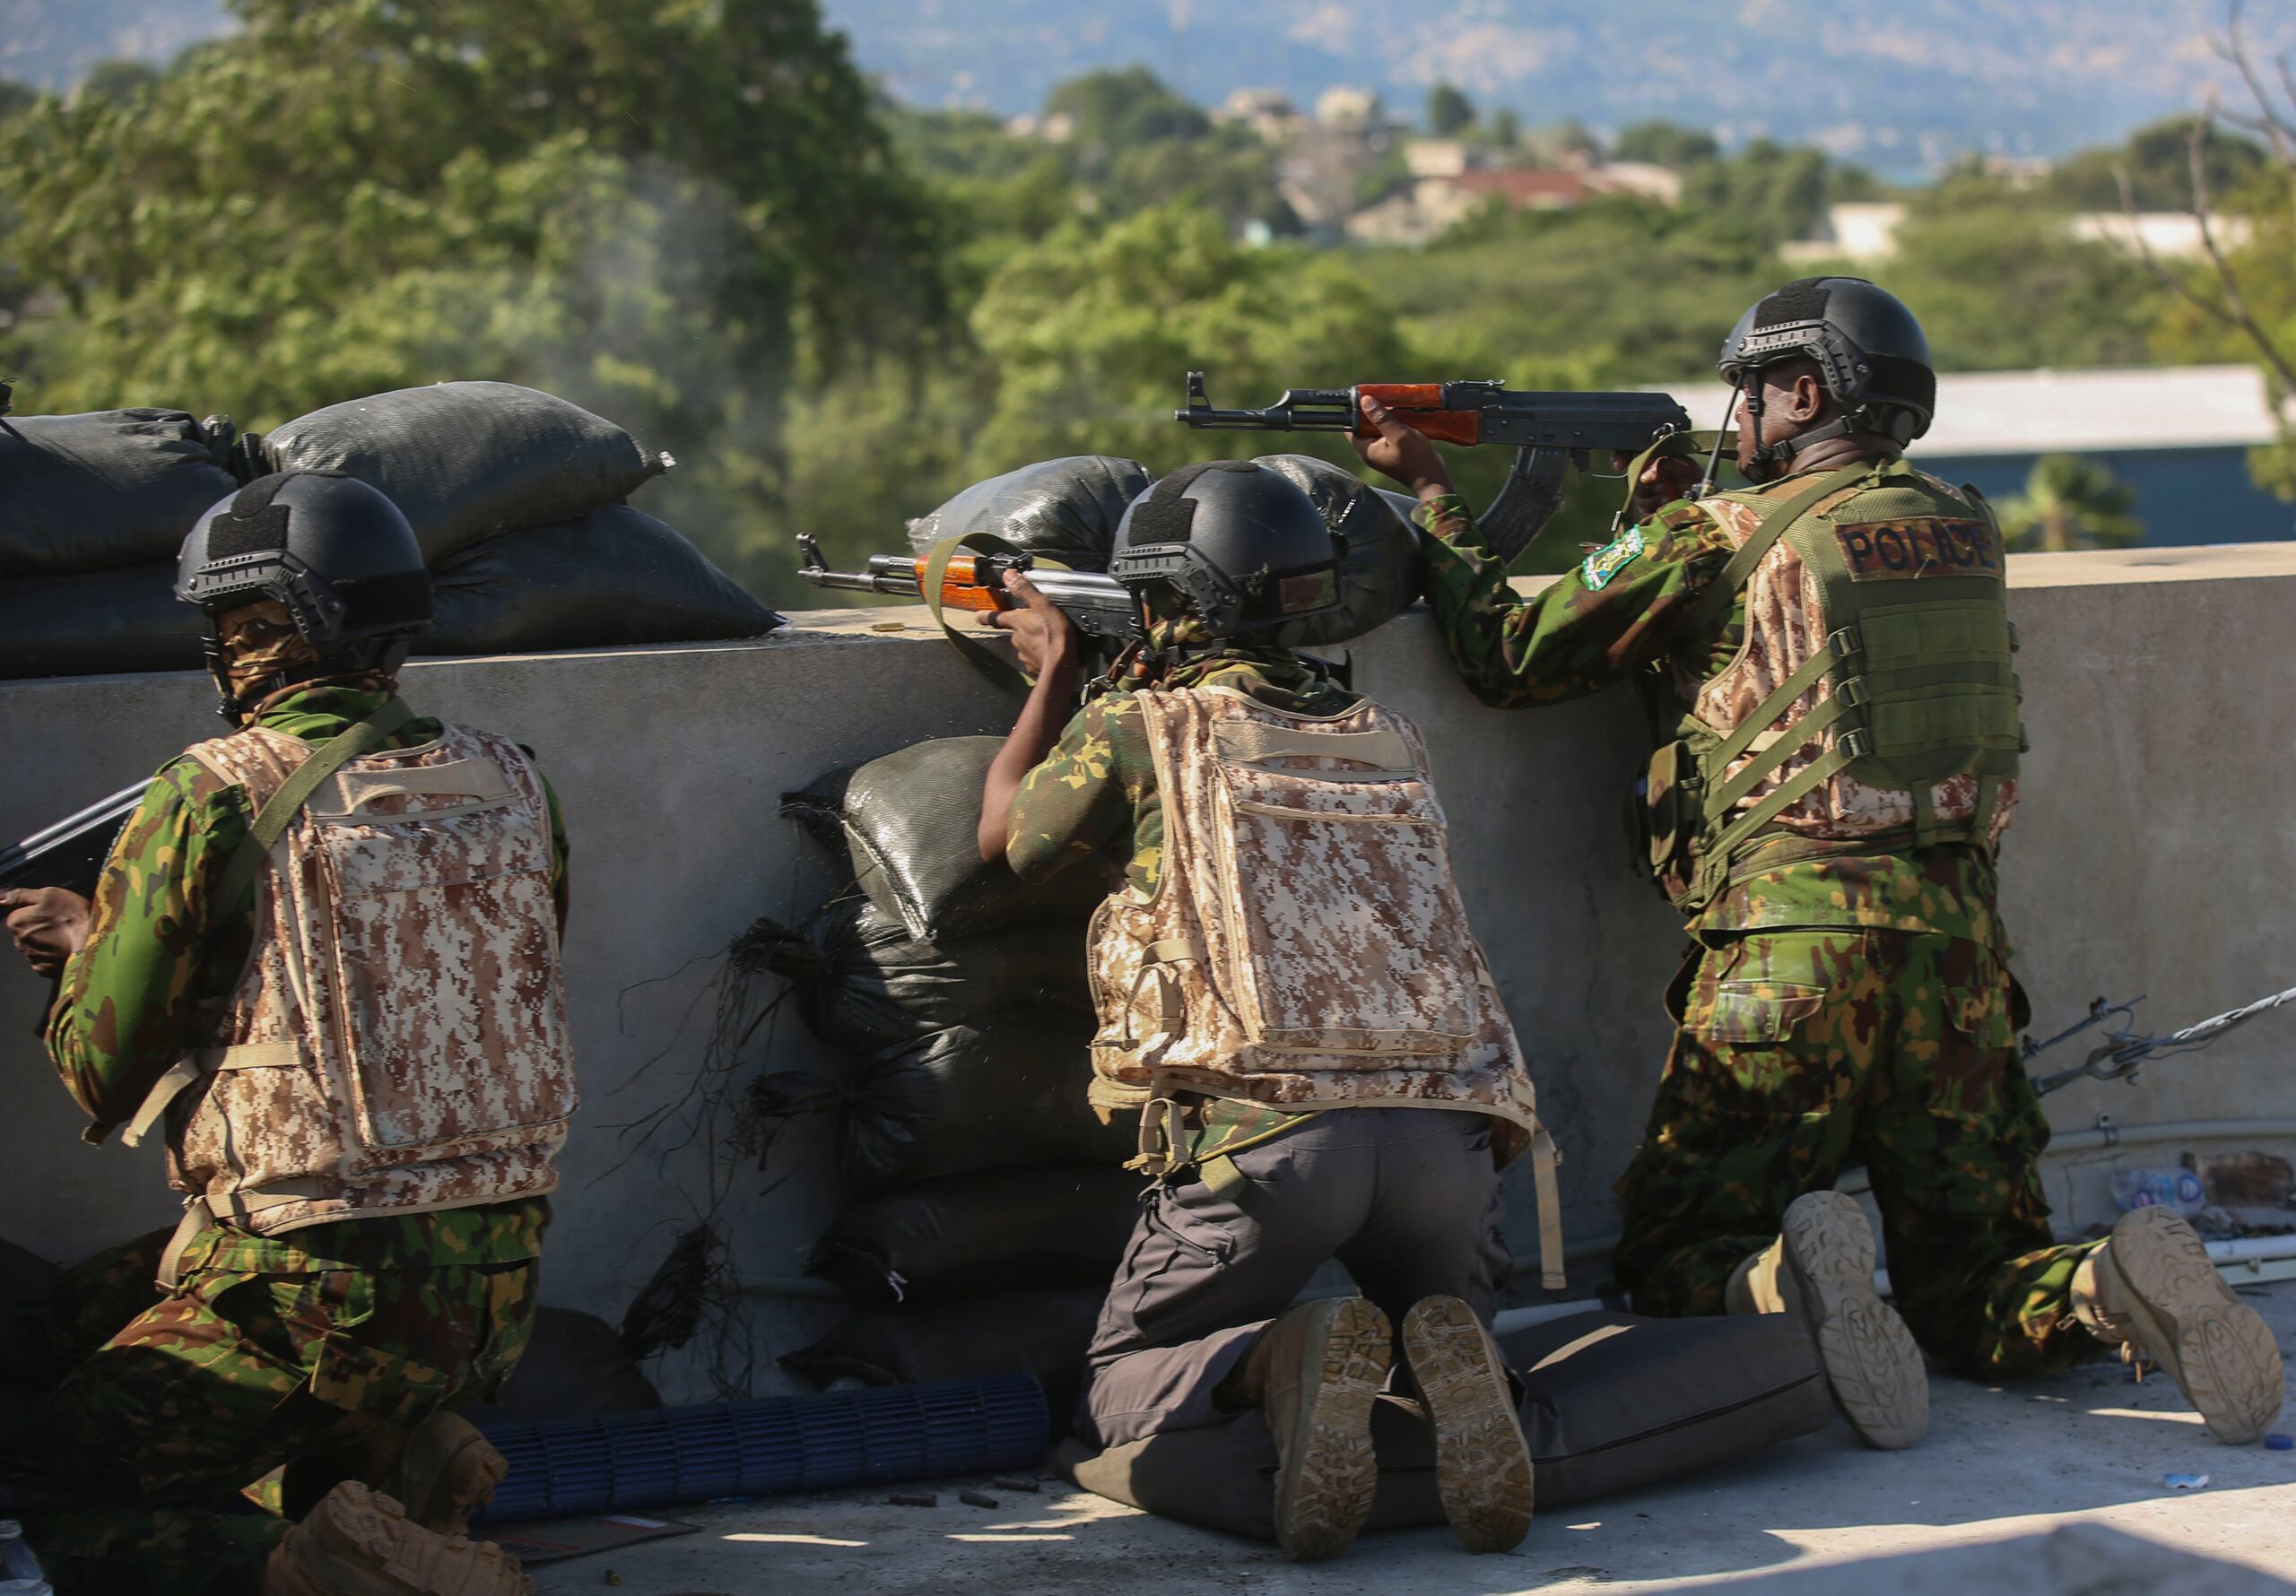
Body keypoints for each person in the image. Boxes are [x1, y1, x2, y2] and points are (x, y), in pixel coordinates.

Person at [1352, 274, 2285, 1450]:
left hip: (1784, 960)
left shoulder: (1706, 536)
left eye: (1749, 392)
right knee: (1974, 1279)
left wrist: (1436, 496)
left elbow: (1509, 652)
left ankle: (1786, 1288)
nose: (1734, 416)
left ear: (1803, 391)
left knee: (1676, 1255)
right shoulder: (1962, 527)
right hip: (1957, 963)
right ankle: (2110, 1289)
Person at [0, 471, 578, 1596]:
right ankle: (402, 1447)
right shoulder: (516, 784)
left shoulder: (208, 796)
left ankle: (323, 1571)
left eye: (228, 623)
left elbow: (97, 1074)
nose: (219, 649)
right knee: (76, 1316)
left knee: (45, 1481)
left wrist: (82, 948)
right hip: (497, 1293)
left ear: (271, 627)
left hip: (311, 1291)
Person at [975, 461, 1562, 1562]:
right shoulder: (1389, 730)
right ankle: (1422, 1364)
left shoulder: (1146, 723)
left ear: (1167, 601)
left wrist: (1057, 673)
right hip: (1446, 1139)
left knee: (1120, 1394)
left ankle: (1277, 1360)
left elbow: (1010, 841)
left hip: (1274, 1146)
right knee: (1451, 1343)